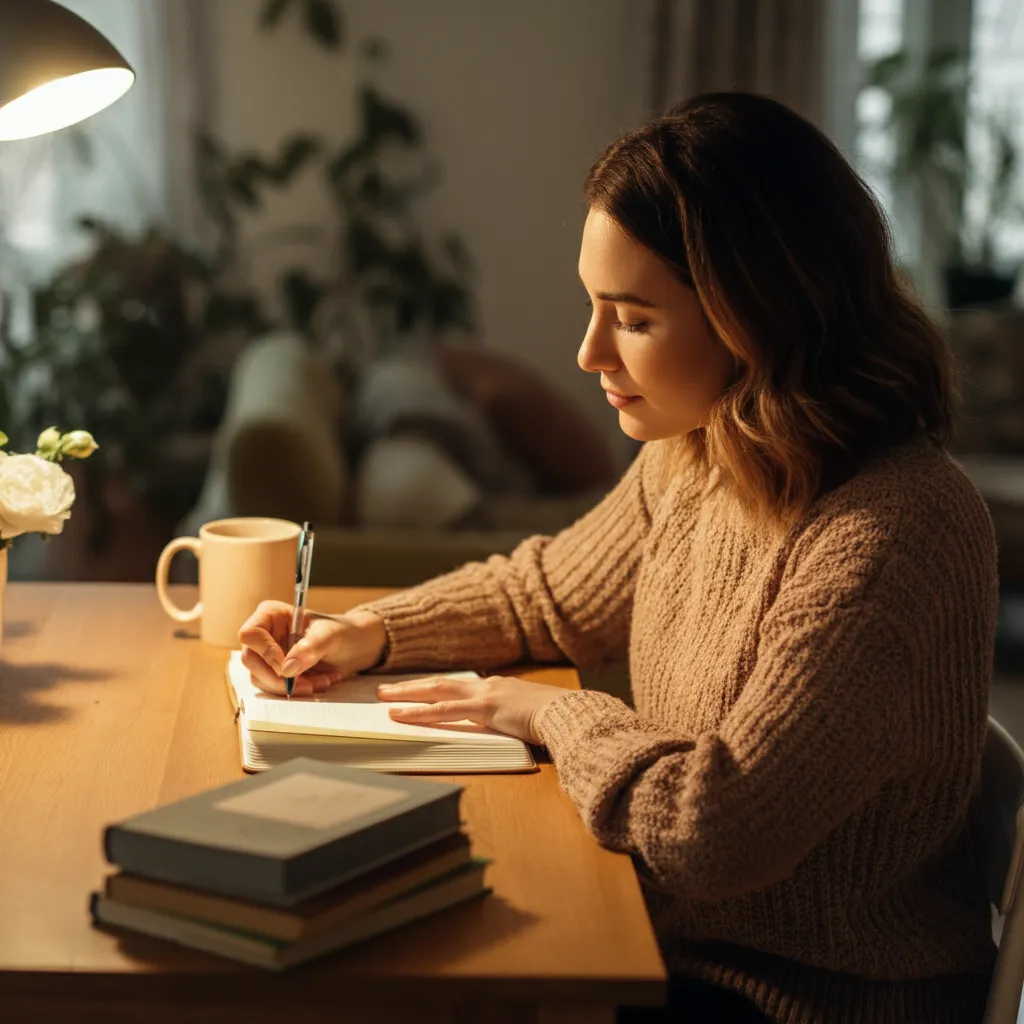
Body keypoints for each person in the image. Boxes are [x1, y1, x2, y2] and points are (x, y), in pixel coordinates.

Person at [238, 93, 998, 1023]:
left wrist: (553, 715)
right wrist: (365, 632)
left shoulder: (889, 535)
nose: (588, 350)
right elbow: (544, 595)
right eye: (594, 307)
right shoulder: (705, 451)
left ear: (757, 316)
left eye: (633, 319)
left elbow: (713, 832)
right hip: (669, 950)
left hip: (803, 999)